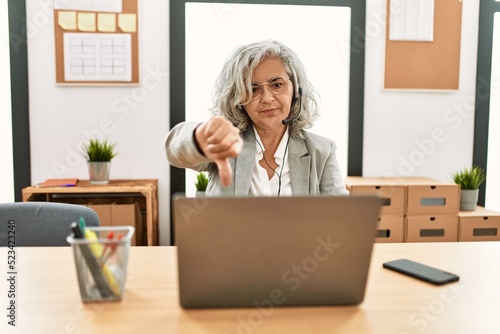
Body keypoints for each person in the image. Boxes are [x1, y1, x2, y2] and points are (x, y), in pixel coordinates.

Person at [165, 40, 348, 196]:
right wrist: (201, 137)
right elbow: (174, 151)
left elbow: (340, 218)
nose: (267, 98)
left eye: (277, 85)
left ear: (296, 91)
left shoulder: (322, 151)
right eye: (253, 89)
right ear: (238, 98)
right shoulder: (225, 144)